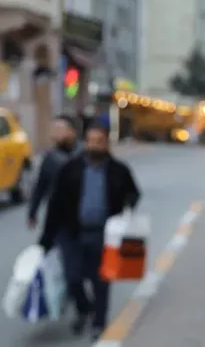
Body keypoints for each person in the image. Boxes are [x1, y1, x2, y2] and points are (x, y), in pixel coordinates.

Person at [38, 122, 141, 341]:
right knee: (73, 277)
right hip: (72, 233)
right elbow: (55, 204)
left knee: (101, 281)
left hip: (104, 235)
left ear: (107, 144)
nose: (94, 146)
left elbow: (134, 192)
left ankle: (98, 322)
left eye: (99, 142)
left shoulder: (118, 170)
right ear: (85, 143)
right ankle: (84, 309)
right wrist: (45, 239)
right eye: (91, 141)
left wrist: (129, 203)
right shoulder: (70, 169)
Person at [27, 115, 81, 230]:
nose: (55, 134)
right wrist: (32, 213)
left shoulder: (85, 154)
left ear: (72, 132)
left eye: (59, 129)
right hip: (59, 217)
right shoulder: (50, 158)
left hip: (85, 217)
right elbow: (40, 187)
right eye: (53, 130)